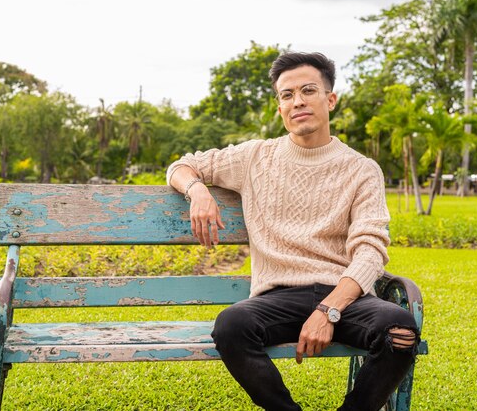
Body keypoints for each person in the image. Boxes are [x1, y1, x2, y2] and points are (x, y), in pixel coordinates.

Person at [166, 52, 420, 411]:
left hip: (344, 296)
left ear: (330, 99)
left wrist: (328, 310)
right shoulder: (254, 157)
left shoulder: (362, 169)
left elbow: (370, 251)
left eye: (307, 90)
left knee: (400, 329)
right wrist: (198, 191)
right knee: (231, 325)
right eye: (286, 95)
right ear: (280, 106)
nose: (297, 101)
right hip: (278, 297)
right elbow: (182, 165)